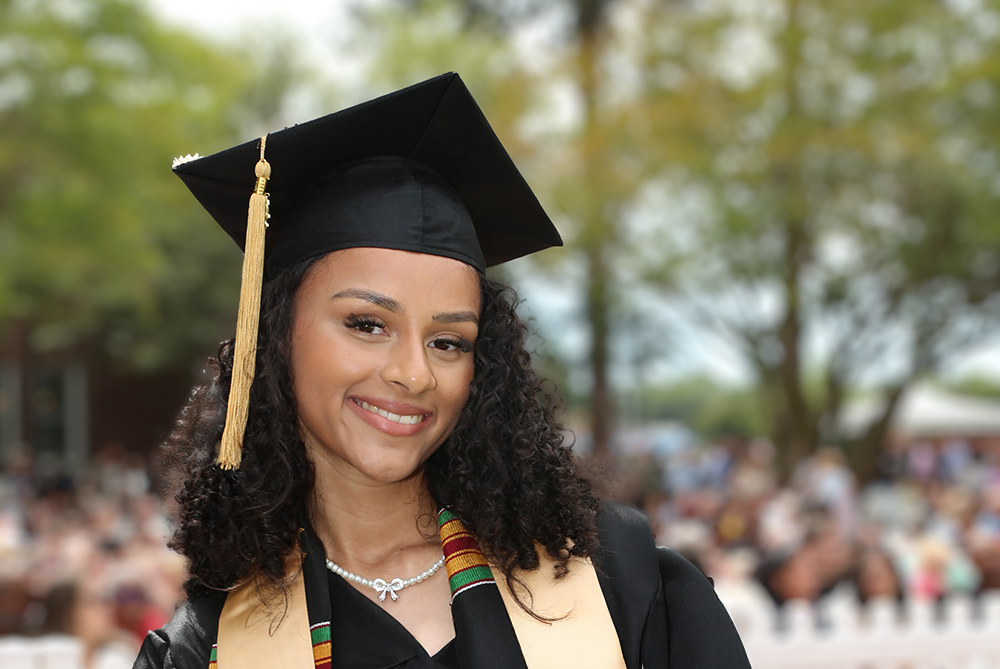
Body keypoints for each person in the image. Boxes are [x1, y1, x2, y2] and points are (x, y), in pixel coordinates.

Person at [133, 73, 749, 669]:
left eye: (449, 341)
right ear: (275, 339)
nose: (414, 373)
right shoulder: (210, 650)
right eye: (366, 324)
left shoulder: (620, 581)